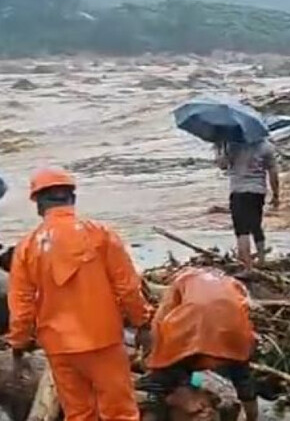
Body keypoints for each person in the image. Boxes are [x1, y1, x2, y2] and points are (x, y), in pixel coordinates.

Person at [7, 167, 151, 421]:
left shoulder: (27, 247)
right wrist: (142, 322)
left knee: (79, 413)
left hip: (59, 346)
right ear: (72, 198)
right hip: (103, 340)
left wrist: (19, 341)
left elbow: (21, 302)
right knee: (120, 412)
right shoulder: (100, 234)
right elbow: (128, 287)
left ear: (39, 203)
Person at [139, 267, 258, 421]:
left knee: (159, 384)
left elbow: (159, 320)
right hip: (233, 333)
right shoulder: (231, 283)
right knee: (242, 379)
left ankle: (154, 411)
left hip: (192, 332)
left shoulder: (182, 280)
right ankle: (252, 417)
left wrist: (153, 358)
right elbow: (245, 311)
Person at [215, 139, 280, 268]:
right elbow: (273, 173)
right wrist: (276, 194)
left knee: (242, 230)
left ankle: (247, 266)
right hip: (258, 191)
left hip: (239, 191)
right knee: (256, 226)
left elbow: (222, 165)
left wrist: (219, 148)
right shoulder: (266, 146)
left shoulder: (232, 144)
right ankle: (261, 260)